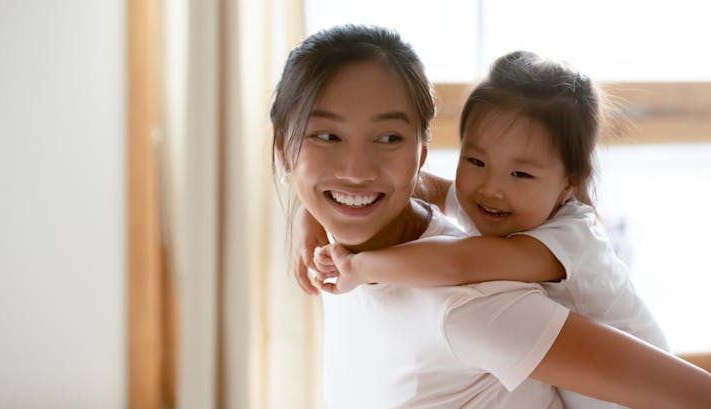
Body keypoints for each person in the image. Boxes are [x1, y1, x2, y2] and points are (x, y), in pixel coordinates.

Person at [272, 24, 711, 408]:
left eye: (388, 137)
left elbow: (455, 263)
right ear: (283, 148)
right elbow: (393, 187)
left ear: (419, 154)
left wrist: (357, 266)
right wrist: (306, 218)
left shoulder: (479, 295)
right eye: (326, 135)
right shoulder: (488, 204)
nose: (355, 170)